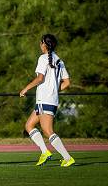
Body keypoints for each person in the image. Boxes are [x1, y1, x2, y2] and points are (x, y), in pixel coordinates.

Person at [20, 34, 75, 167]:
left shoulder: (43, 58)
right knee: (29, 125)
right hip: (47, 100)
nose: (40, 45)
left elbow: (40, 78)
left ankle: (68, 158)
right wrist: (54, 91)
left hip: (45, 99)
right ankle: (45, 152)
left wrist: (25, 89)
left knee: (47, 130)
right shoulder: (59, 60)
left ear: (45, 44)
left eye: (40, 42)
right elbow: (67, 83)